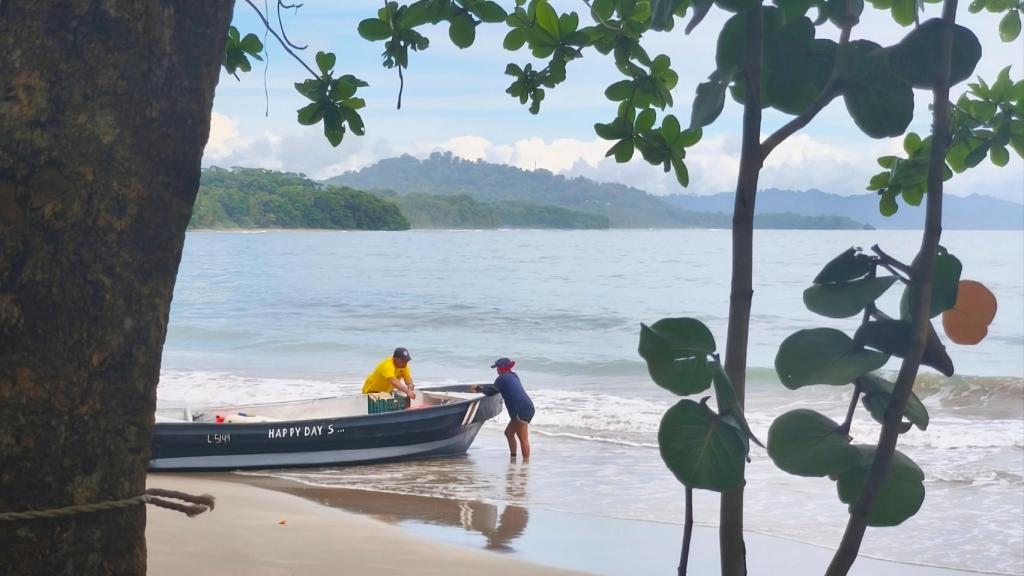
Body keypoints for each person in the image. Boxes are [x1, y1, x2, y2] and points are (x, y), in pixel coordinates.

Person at [471, 358, 534, 460]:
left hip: (520, 410)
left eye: (497, 368)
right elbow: (494, 388)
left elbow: (492, 390)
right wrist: (480, 387)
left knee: (522, 438)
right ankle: (513, 459)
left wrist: (479, 388)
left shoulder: (502, 379)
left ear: (501, 368)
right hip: (527, 407)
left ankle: (525, 464)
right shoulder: (513, 375)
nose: (497, 370)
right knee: (509, 433)